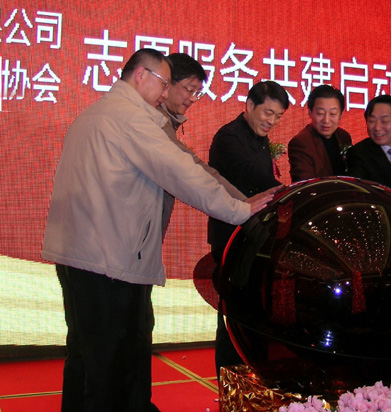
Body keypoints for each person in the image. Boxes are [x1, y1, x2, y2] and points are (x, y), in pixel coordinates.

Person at [41, 49, 271, 412]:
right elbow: (182, 173)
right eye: (165, 84)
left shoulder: (100, 112)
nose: (165, 93)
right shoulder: (131, 118)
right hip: (109, 260)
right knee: (111, 367)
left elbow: (189, 166)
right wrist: (240, 211)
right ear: (141, 75)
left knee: (86, 357)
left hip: (81, 255)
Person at [207, 80, 289, 377]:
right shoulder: (229, 137)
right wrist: (287, 192)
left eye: (277, 116)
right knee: (234, 316)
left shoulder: (260, 139)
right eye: (267, 112)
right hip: (231, 240)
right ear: (249, 105)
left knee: (254, 315)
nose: (271, 121)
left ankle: (252, 381)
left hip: (255, 240)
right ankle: (231, 383)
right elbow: (250, 175)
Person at [158, 53, 246, 238]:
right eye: (189, 89)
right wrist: (243, 206)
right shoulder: (154, 122)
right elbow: (191, 170)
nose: (193, 98)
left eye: (197, 93)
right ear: (167, 83)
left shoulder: (165, 120)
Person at [288, 85, 352, 182]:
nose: (326, 120)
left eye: (333, 114)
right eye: (320, 113)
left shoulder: (343, 136)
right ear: (310, 112)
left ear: (341, 115)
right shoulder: (301, 143)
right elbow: (305, 185)